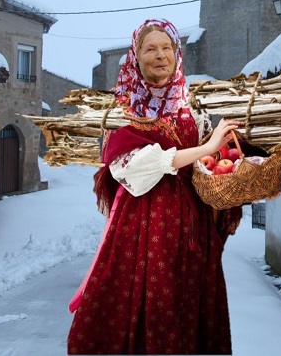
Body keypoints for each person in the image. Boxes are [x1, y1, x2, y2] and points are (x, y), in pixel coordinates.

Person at [67, 18, 243, 355]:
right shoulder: (124, 110)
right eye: (150, 48)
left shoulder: (192, 111)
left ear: (178, 56)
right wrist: (205, 150)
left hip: (194, 230)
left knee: (188, 305)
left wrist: (225, 163)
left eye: (167, 48)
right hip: (143, 231)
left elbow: (206, 163)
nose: (159, 55)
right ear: (136, 57)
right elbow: (132, 167)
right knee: (150, 305)